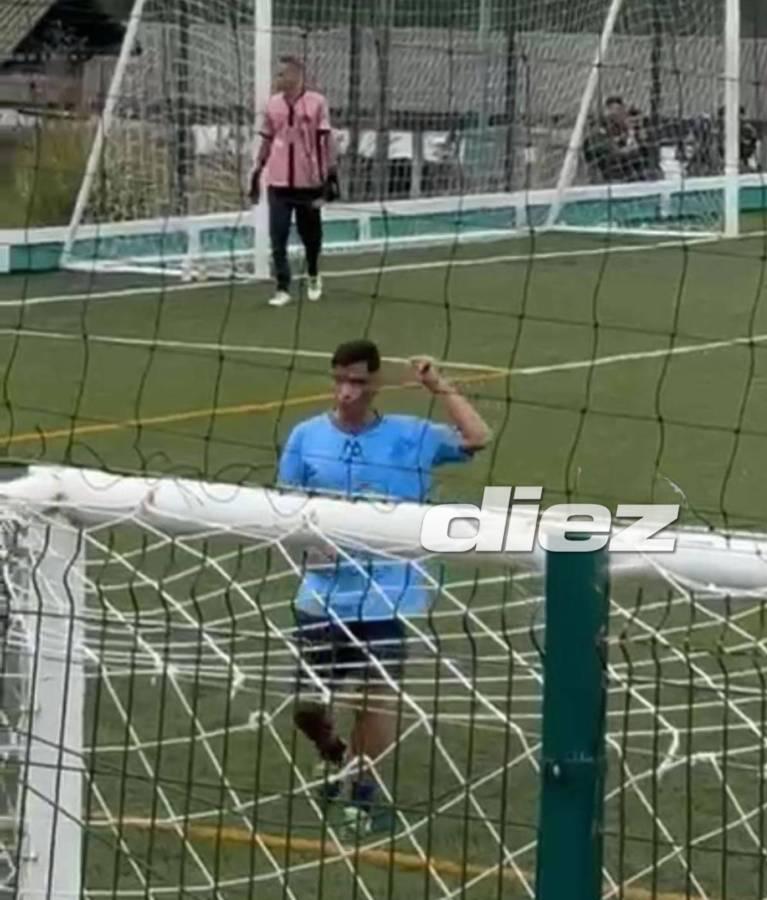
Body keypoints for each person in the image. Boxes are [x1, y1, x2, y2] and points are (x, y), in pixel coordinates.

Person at [277, 339, 491, 834]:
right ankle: (333, 753)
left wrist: (439, 386)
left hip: (388, 595)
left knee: (376, 700)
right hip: (323, 596)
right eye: (340, 380)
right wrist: (304, 548)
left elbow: (478, 436)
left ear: (374, 384)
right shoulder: (306, 437)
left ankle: (362, 790)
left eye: (356, 381)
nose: (347, 391)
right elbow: (284, 510)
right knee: (309, 708)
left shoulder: (410, 435)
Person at [250, 56, 340, 308]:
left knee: (311, 236)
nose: (278, 79)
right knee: (277, 235)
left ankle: (313, 273)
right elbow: (267, 139)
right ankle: (282, 287)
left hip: (308, 183)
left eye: (282, 74)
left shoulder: (317, 103)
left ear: (296, 75)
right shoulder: (272, 105)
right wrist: (258, 171)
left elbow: (326, 139)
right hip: (278, 183)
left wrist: (331, 172)